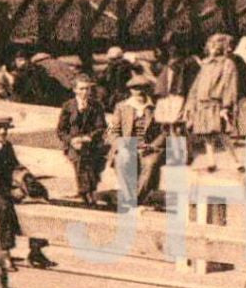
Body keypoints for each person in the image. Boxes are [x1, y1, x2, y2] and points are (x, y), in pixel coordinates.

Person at [0, 116, 53, 270]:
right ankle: (5, 253)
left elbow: (15, 167)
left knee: (38, 202)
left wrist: (27, 181)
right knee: (4, 207)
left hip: (4, 191)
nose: (3, 131)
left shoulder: (7, 147)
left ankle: (36, 251)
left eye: (5, 128)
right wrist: (11, 192)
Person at [183, 33, 243, 171]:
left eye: (215, 46)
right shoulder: (205, 64)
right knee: (206, 134)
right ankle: (211, 161)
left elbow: (230, 85)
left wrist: (226, 105)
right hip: (202, 103)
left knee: (221, 133)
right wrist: (190, 104)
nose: (211, 48)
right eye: (210, 45)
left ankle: (235, 161)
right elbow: (196, 86)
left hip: (217, 103)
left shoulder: (227, 64)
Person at [107, 72, 166, 207]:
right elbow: (111, 131)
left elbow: (165, 132)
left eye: (143, 88)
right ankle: (129, 196)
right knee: (122, 159)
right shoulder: (121, 107)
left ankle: (136, 198)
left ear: (148, 90)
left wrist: (151, 146)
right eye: (135, 89)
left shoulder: (156, 107)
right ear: (130, 90)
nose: (139, 92)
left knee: (151, 163)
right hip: (127, 145)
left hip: (149, 147)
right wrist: (120, 144)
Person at [57, 76, 109, 206]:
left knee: (89, 157)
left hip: (92, 143)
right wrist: (72, 140)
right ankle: (87, 191)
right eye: (81, 89)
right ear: (75, 90)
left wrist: (88, 138)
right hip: (73, 144)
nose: (85, 92)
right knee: (79, 158)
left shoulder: (96, 106)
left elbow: (101, 127)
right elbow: (61, 130)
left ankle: (86, 190)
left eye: (87, 89)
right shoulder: (68, 106)